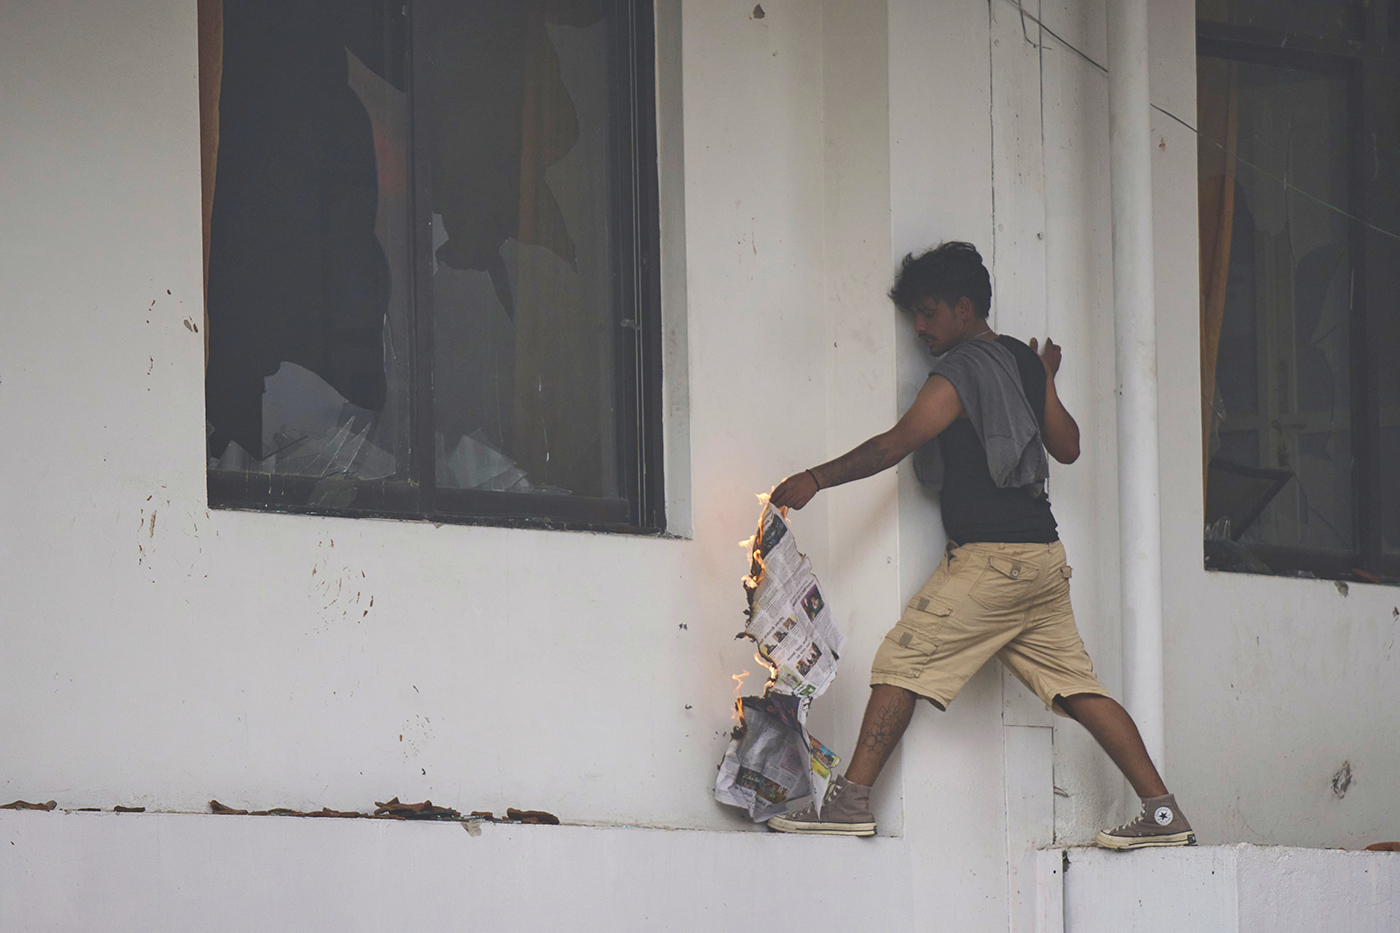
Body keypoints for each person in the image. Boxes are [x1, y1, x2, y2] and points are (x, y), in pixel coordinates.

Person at [765, 242, 1194, 850]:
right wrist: (1044, 378)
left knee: (901, 663)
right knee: (1078, 688)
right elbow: (1068, 446)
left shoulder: (962, 371)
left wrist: (816, 478)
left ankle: (850, 802)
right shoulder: (1019, 360)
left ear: (963, 308)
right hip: (1043, 560)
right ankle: (1163, 813)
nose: (920, 327)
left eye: (929, 312)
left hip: (995, 560)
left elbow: (894, 444)